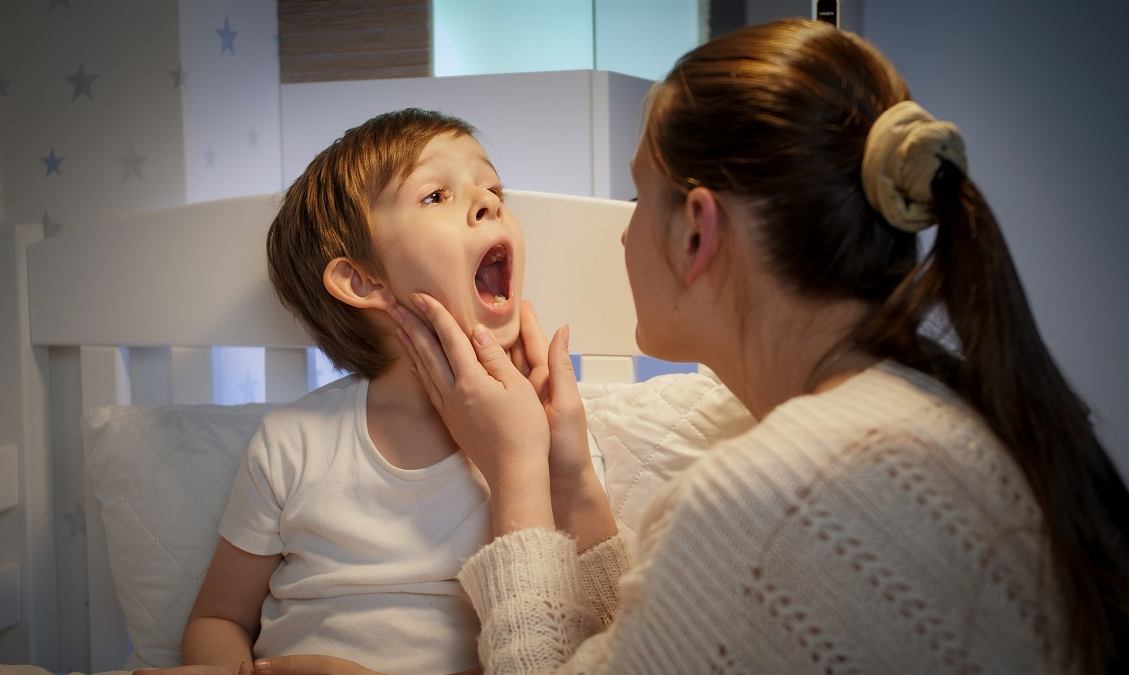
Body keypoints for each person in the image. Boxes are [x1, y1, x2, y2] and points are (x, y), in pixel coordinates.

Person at [383, 18, 1129, 674]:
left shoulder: (769, 496)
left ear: (698, 231)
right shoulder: (941, 400)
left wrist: (515, 471)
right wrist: (574, 480)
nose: (623, 231)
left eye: (640, 199)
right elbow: (675, 645)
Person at [155, 107, 539, 675]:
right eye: (436, 195)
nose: (489, 201)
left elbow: (566, 635)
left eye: (492, 186)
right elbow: (219, 620)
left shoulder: (541, 435)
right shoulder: (293, 444)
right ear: (364, 280)